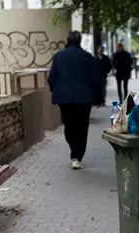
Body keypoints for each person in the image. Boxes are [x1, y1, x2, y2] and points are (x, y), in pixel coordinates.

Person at [48, 31, 102, 170]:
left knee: (69, 125)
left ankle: (74, 151)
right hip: (84, 99)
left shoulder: (59, 56)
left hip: (64, 99)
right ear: (79, 41)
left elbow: (52, 77)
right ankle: (77, 155)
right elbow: (96, 79)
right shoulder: (87, 57)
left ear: (67, 40)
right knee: (82, 127)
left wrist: (56, 90)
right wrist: (96, 97)